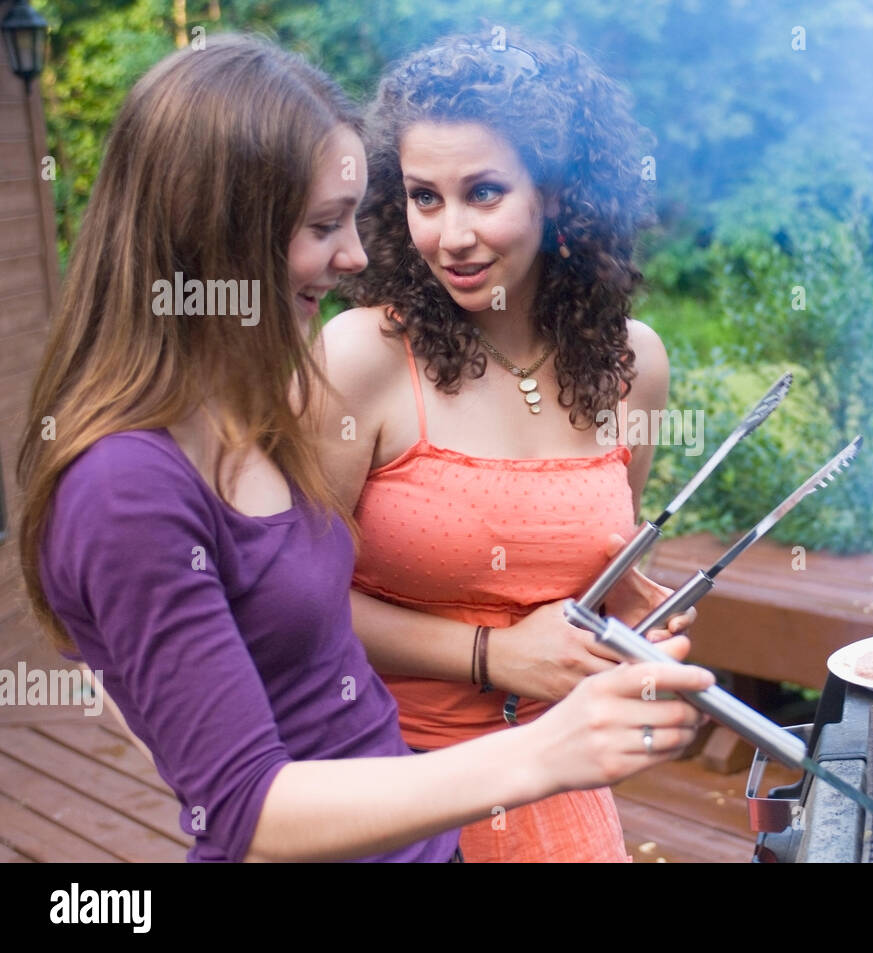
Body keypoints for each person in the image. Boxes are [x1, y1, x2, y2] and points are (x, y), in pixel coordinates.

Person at [16, 33, 710, 864]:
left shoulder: (236, 415)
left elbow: (176, 646)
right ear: (217, 235)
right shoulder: (127, 482)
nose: (357, 257)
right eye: (323, 225)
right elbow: (242, 804)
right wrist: (541, 740)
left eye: (483, 192)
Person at [317, 32, 690, 862]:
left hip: (556, 794)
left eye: (483, 193)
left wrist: (627, 617)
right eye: (424, 197)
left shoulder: (634, 367)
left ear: (557, 196)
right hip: (388, 791)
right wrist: (494, 654)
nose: (449, 235)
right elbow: (292, 600)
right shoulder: (361, 358)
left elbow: (587, 576)